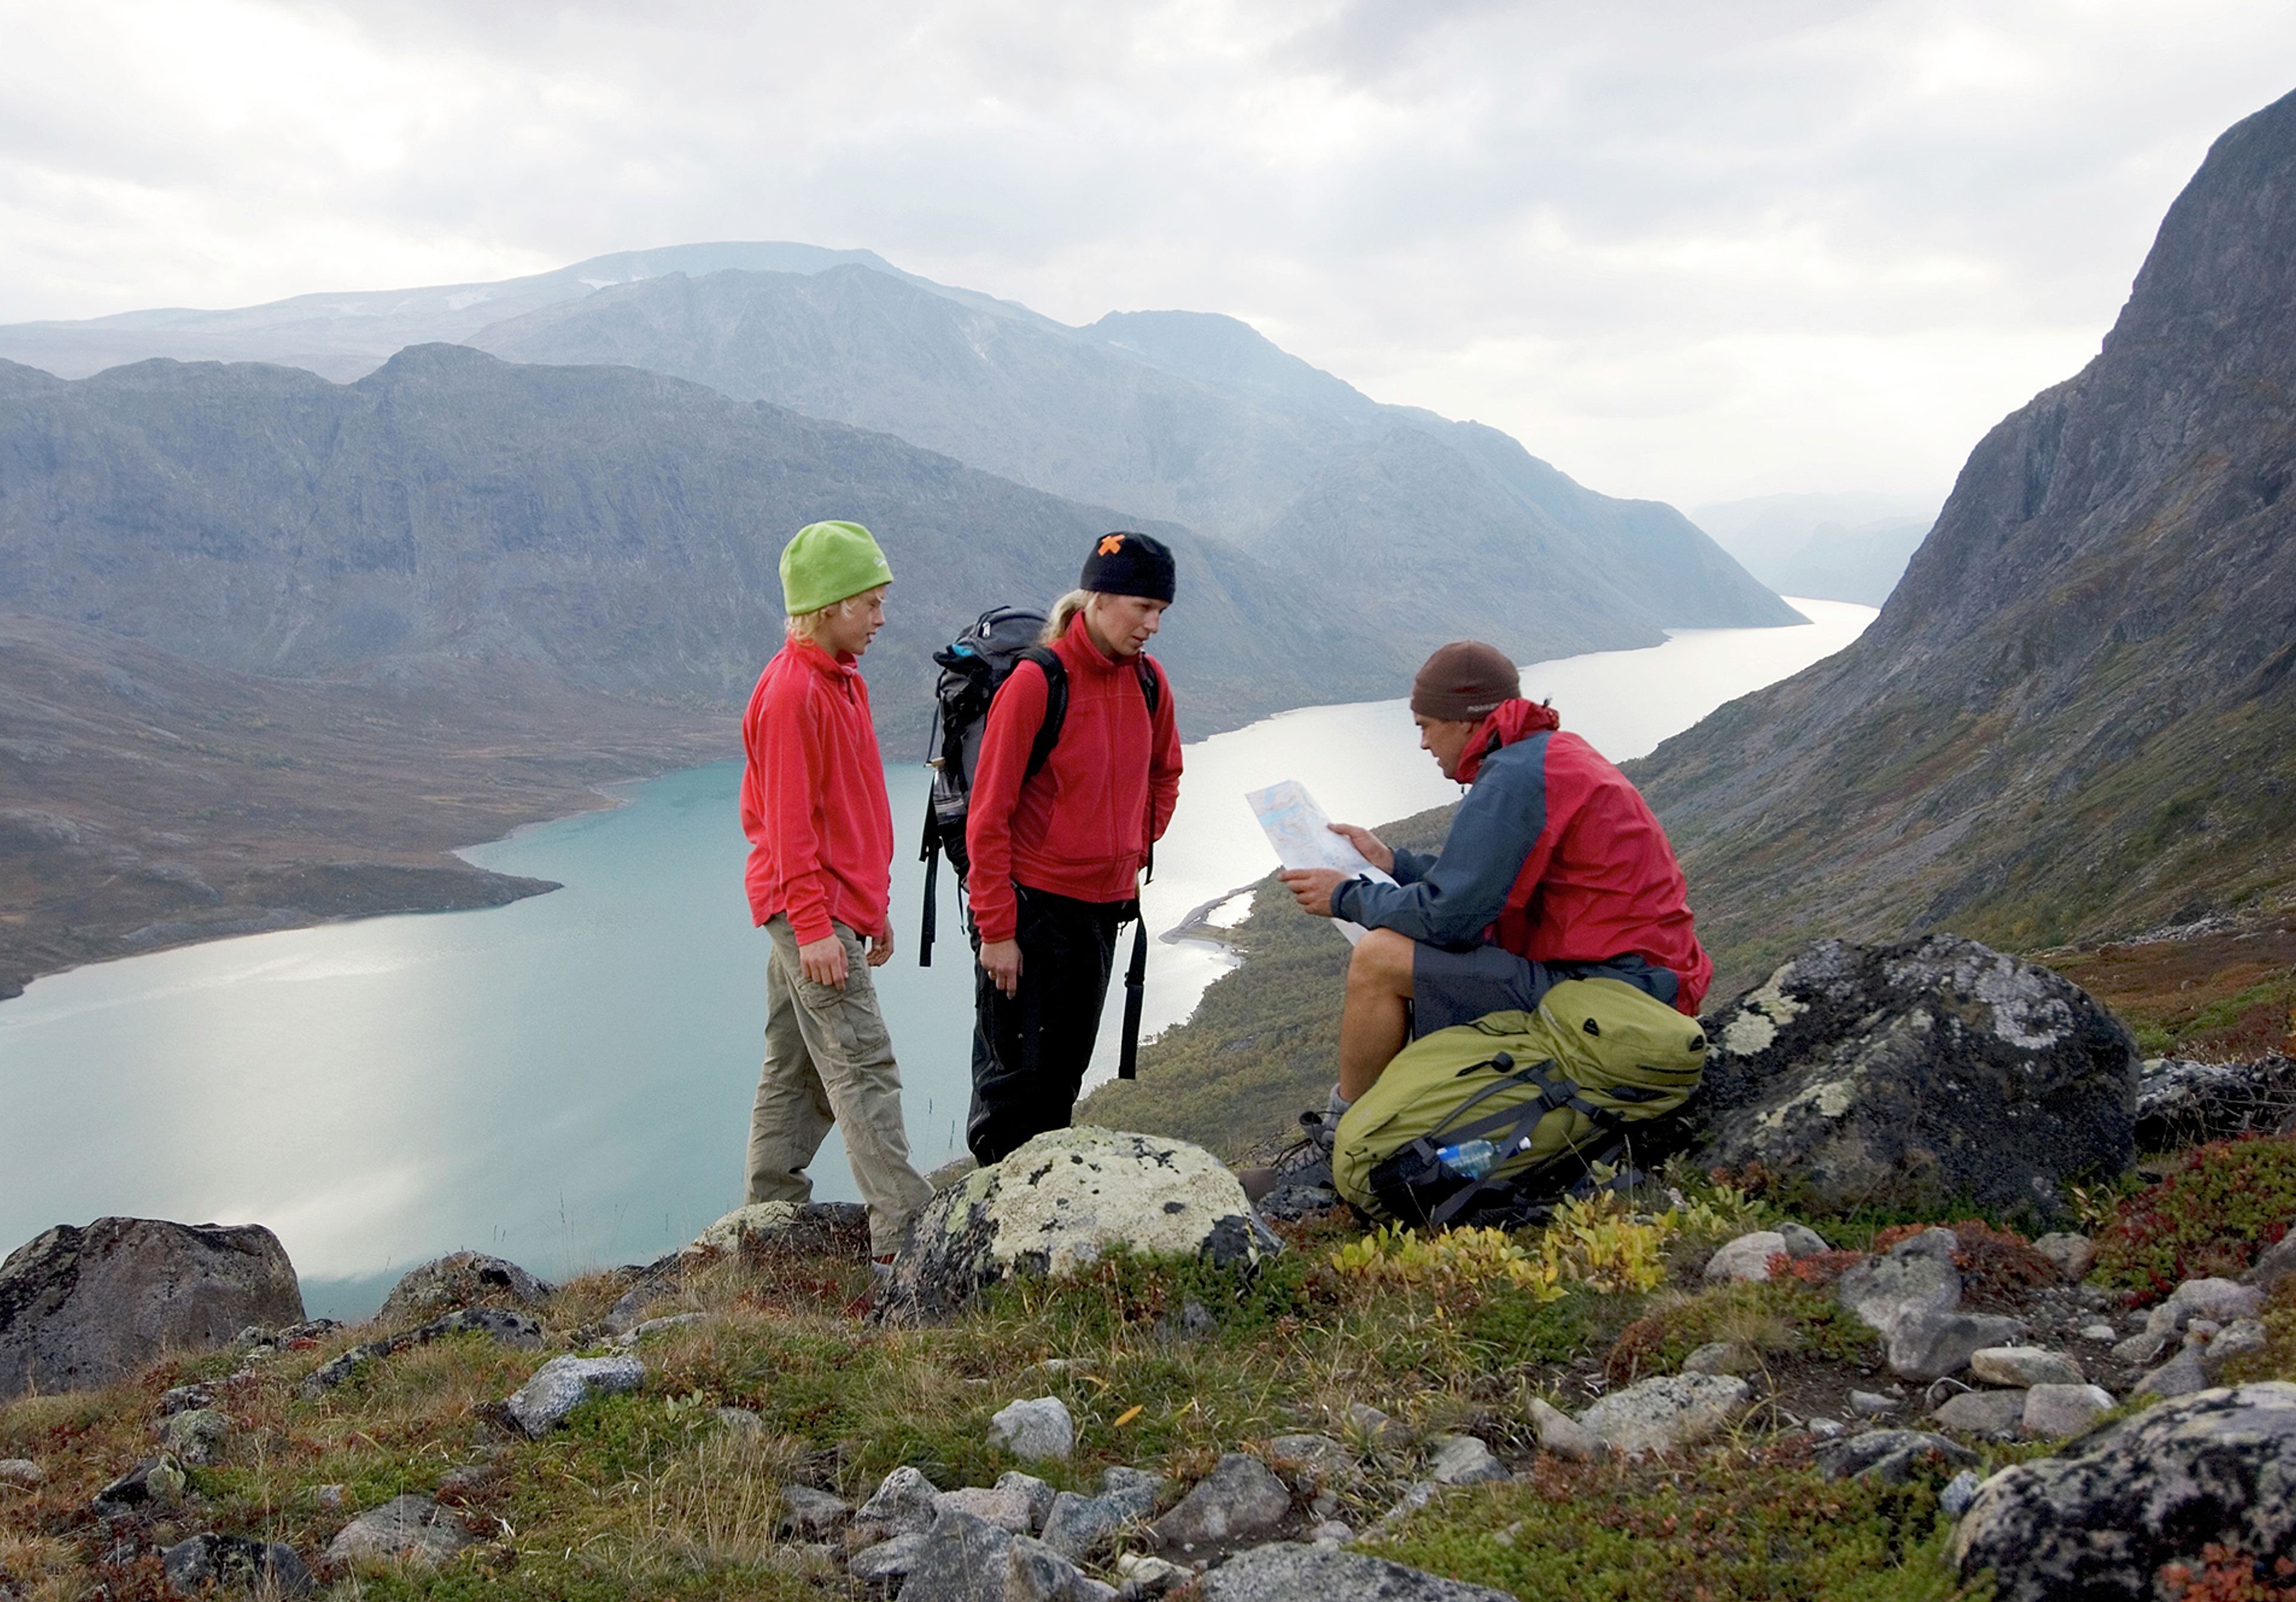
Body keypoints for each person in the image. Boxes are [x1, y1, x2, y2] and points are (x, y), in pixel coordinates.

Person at [1278, 639, 1711, 1134]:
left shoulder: (1515, 778)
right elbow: (1486, 883)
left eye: (1425, 726)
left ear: (1465, 720)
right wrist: (1393, 863)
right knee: (1412, 951)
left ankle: (1341, 1138)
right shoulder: (1547, 756)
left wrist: (1343, 896)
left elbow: (1450, 919)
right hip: (1643, 984)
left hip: (1613, 999)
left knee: (1379, 958)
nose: (1422, 743)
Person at [740, 519, 934, 1268]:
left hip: (833, 909)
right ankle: (905, 1237)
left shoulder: (840, 679)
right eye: (869, 603)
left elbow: (848, 809)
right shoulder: (793, 694)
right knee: (862, 1066)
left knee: (795, 1068)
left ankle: (767, 1222)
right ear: (826, 606)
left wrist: (871, 906)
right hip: (808, 913)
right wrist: (819, 927)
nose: (881, 618)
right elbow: (788, 828)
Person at [963, 531, 1183, 1164]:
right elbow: (989, 816)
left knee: (1061, 1080)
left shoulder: (1149, 682)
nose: (1154, 626)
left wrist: (1133, 845)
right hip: (1034, 914)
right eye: (1144, 607)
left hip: (1102, 911)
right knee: (1013, 1086)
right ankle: (991, 1235)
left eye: (1161, 611)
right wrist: (997, 931)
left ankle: (1043, 1223)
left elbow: (1165, 771)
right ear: (1101, 596)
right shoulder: (1038, 681)